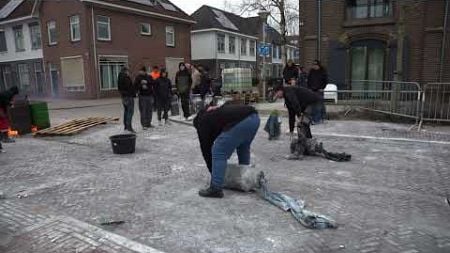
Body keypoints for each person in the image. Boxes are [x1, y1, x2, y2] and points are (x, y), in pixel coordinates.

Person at [194, 103, 260, 198]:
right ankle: (246, 177)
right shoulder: (215, 112)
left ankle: (216, 188)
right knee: (243, 147)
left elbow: (206, 150)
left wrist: (213, 172)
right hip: (254, 118)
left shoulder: (202, 123)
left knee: (218, 151)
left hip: (242, 121)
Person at [307, 60, 328, 124]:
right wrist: (309, 87)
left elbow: (326, 81)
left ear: (319, 65)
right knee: (312, 106)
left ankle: (317, 119)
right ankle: (314, 119)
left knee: (318, 105)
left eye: (316, 65)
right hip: (312, 90)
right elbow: (309, 80)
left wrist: (322, 88)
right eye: (314, 65)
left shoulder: (323, 71)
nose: (315, 66)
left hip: (319, 90)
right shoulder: (311, 71)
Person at [118, 67, 136, 132]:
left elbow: (120, 88)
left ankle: (125, 126)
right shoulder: (126, 78)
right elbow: (129, 87)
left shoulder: (119, 77)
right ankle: (129, 127)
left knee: (126, 111)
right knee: (130, 112)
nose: (128, 73)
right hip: (128, 96)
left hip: (123, 96)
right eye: (128, 71)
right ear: (126, 71)